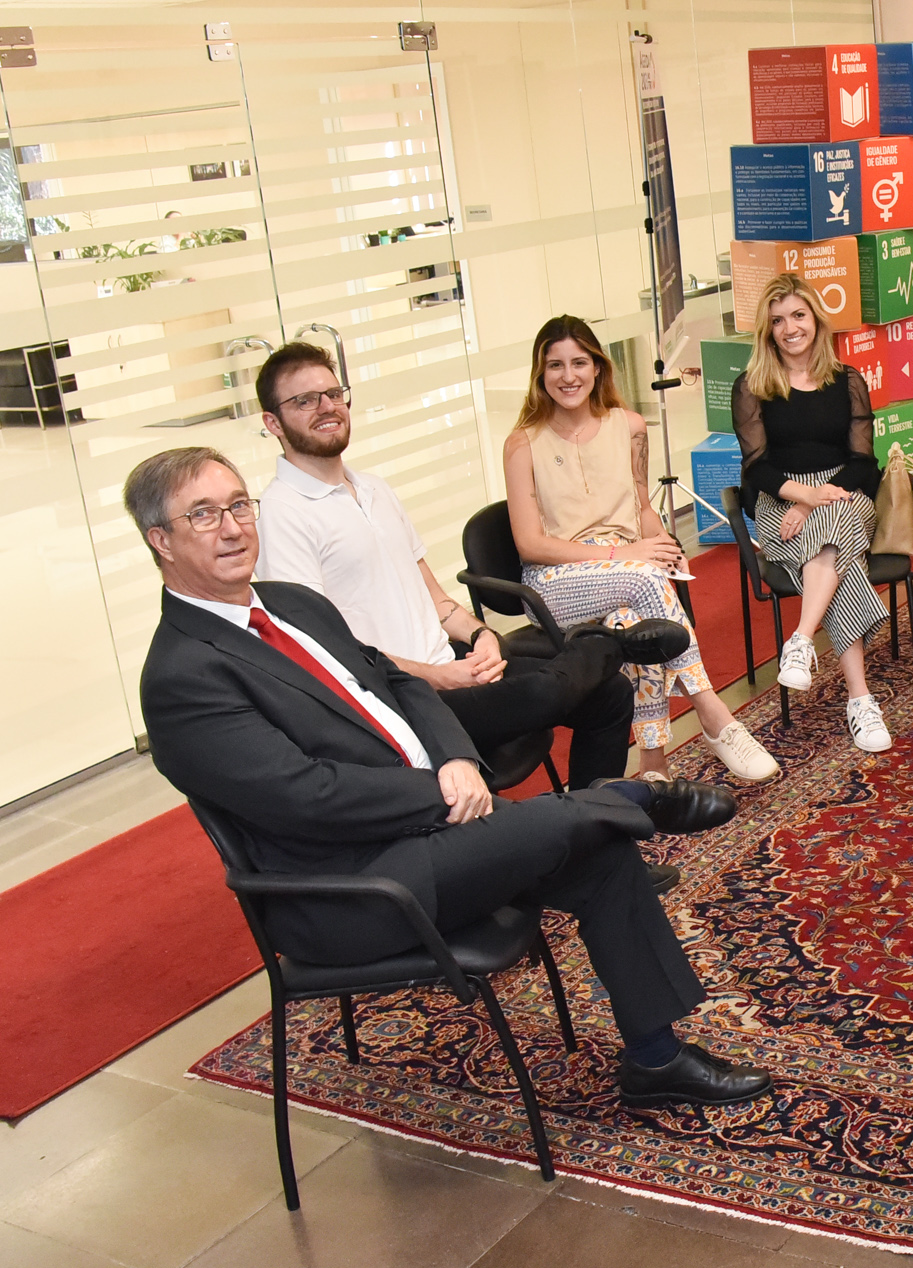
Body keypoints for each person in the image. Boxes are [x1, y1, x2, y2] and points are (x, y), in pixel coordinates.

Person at [129, 446, 772, 1109]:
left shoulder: (291, 604)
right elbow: (305, 797)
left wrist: (457, 758)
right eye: (204, 514)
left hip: (430, 828)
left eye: (238, 505)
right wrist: (437, 794)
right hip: (355, 884)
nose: (233, 527)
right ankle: (635, 794)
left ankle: (655, 1059)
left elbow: (399, 680)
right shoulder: (184, 676)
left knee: (598, 846)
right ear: (161, 540)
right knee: (574, 818)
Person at [252, 341, 673, 796]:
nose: (326, 407)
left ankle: (599, 829)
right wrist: (440, 676)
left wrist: (481, 636)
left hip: (453, 668)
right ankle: (607, 644)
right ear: (272, 422)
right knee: (545, 693)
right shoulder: (282, 514)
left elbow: (435, 598)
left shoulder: (373, 488)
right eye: (304, 400)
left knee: (608, 696)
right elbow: (326, 652)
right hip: (400, 698)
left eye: (333, 394)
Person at [503, 315, 778, 783]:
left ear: (597, 368)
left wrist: (663, 541)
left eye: (579, 363)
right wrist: (625, 558)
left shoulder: (628, 426)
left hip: (624, 569)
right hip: (554, 582)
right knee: (645, 580)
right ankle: (713, 713)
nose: (568, 376)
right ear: (539, 372)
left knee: (634, 624)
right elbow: (530, 545)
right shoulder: (521, 444)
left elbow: (641, 505)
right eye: (555, 365)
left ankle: (653, 761)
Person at [732, 275, 892, 754]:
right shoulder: (752, 386)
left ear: (816, 320)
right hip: (780, 502)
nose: (790, 328)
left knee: (834, 522)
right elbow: (756, 466)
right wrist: (800, 495)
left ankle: (801, 639)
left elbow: (865, 461)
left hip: (845, 494)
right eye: (778, 320)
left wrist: (818, 496)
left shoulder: (848, 381)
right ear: (767, 330)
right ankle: (861, 700)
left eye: (798, 315)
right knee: (840, 549)